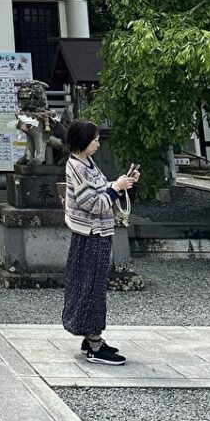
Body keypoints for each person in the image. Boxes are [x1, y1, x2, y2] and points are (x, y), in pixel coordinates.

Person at [62, 120, 139, 365]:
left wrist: (121, 183)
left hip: (97, 234)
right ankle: (94, 343)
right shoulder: (77, 166)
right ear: (83, 141)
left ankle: (91, 338)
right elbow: (93, 204)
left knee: (91, 287)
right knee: (91, 289)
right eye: (94, 139)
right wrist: (116, 188)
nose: (97, 143)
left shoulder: (87, 163)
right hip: (90, 235)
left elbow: (99, 190)